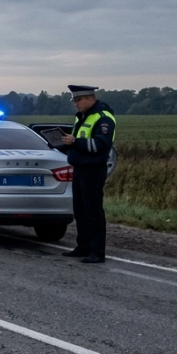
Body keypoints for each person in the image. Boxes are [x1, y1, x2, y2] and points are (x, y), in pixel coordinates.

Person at [59, 84, 116, 263]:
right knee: (81, 210)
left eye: (79, 100)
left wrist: (75, 142)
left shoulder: (103, 118)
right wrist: (63, 144)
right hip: (80, 168)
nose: (76, 104)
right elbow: (79, 143)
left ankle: (97, 251)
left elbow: (99, 144)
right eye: (74, 100)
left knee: (93, 211)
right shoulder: (83, 117)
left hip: (93, 170)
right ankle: (83, 246)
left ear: (90, 98)